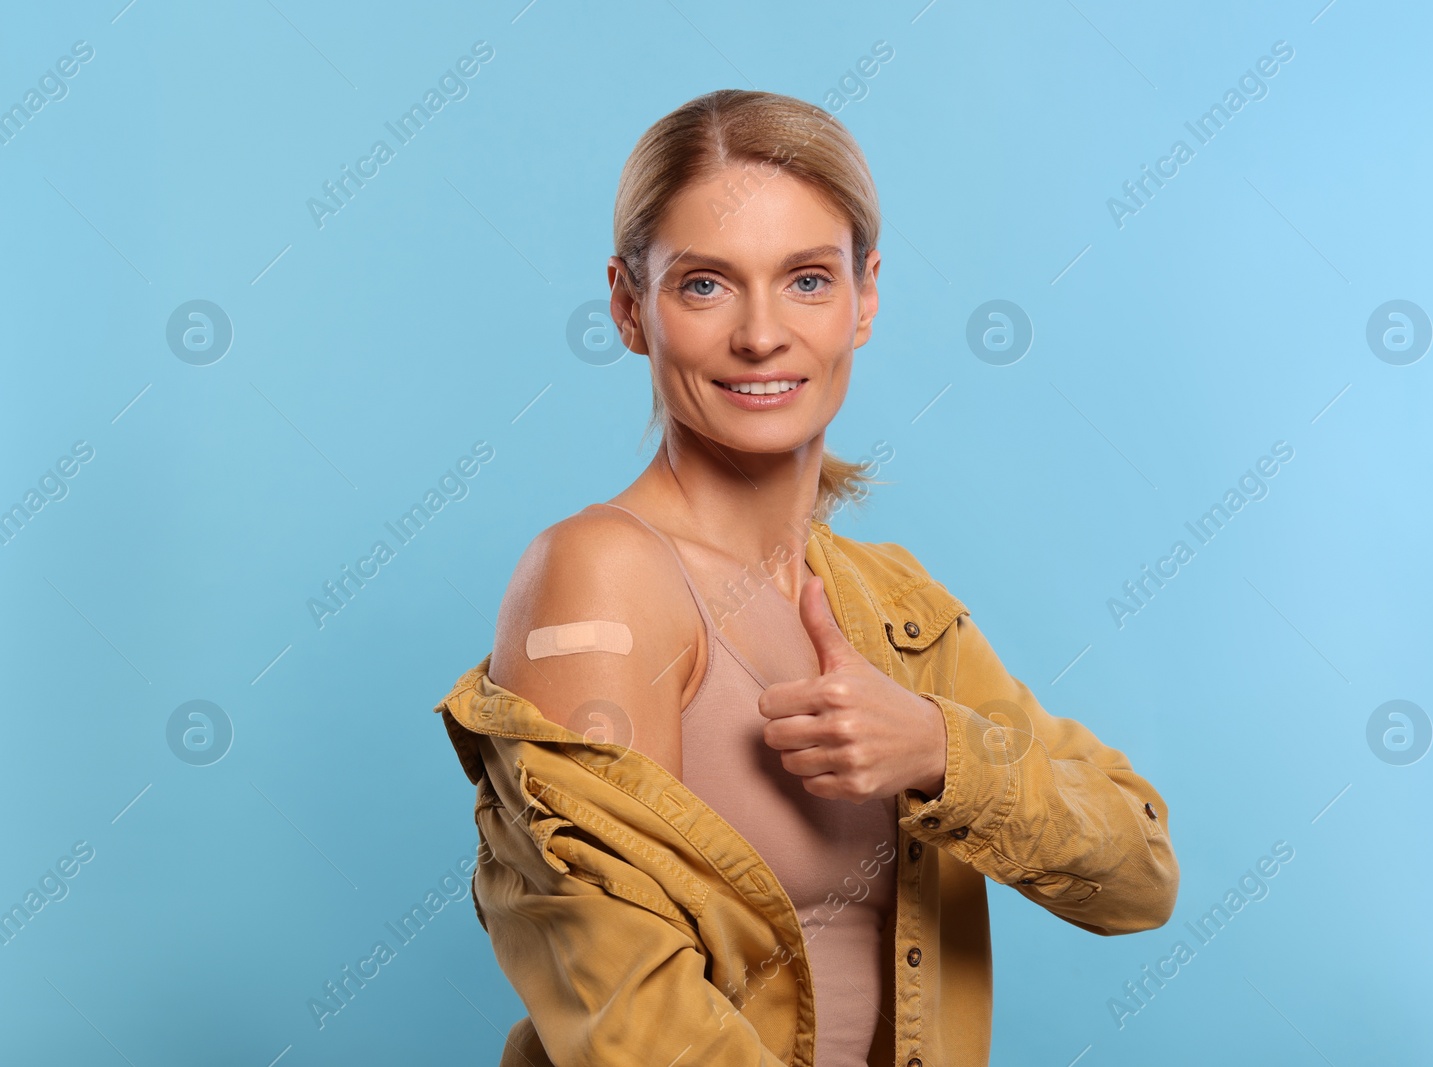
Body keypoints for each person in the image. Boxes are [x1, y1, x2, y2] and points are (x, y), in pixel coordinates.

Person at [433, 88, 1179, 1067]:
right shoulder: (601, 576)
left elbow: (1138, 872)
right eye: (704, 284)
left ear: (865, 296)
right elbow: (631, 1018)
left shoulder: (894, 607)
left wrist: (940, 751)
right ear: (627, 305)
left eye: (806, 280)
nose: (760, 334)